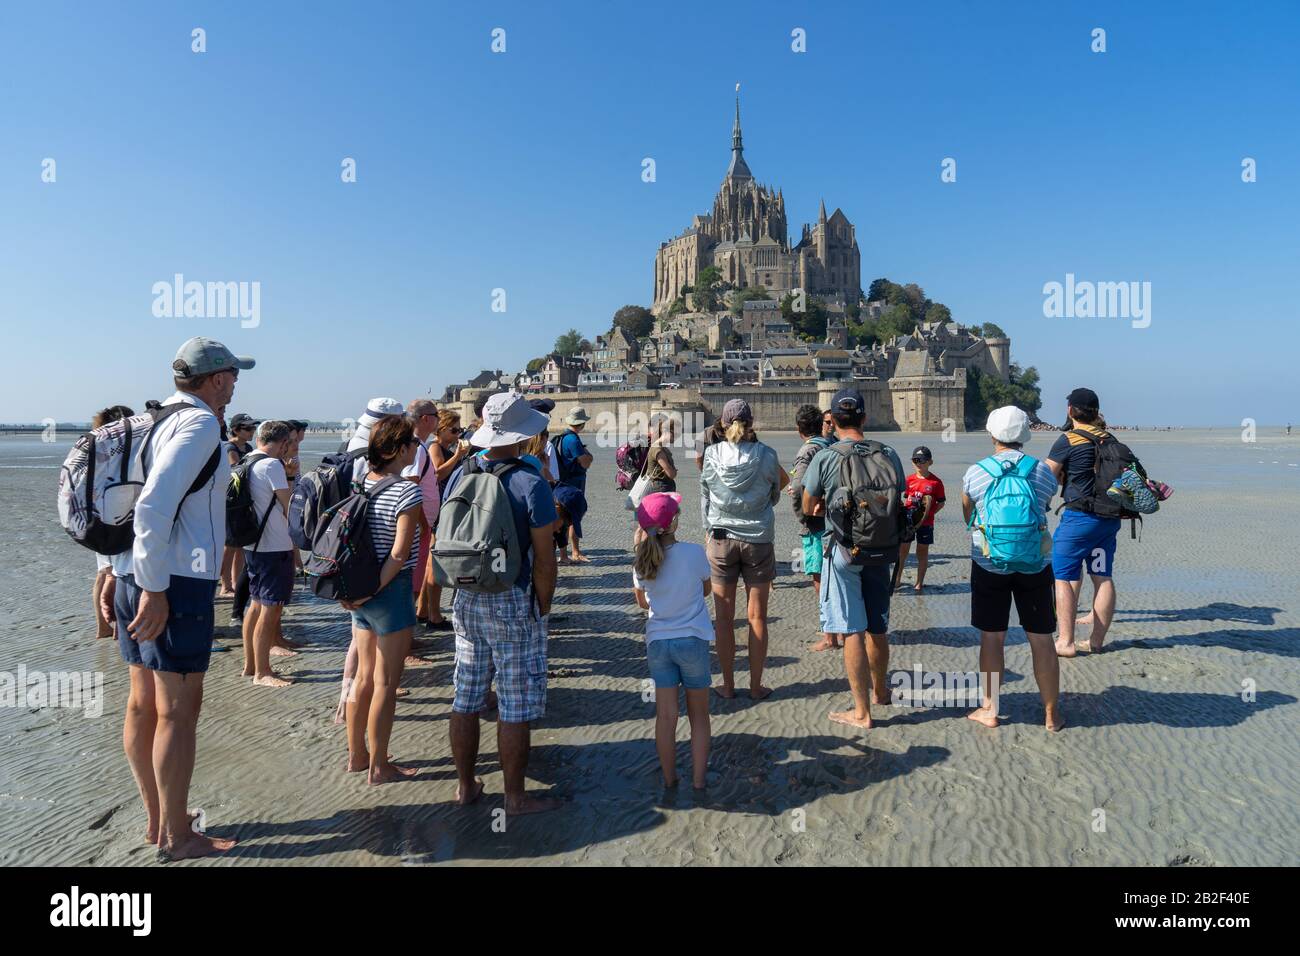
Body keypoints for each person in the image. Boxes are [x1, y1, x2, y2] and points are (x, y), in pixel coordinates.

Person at [97, 336, 252, 860]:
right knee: (177, 714)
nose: (235, 385)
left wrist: (129, 580)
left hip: (132, 574)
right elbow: (154, 506)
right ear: (217, 380)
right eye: (232, 375)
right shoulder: (201, 423)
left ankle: (159, 822)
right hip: (172, 583)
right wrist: (156, 592)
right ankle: (179, 837)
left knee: (143, 705)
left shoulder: (153, 419)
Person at [444, 392, 560, 814]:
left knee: (466, 695)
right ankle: (514, 796)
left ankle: (464, 786)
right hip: (513, 597)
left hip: (467, 596)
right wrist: (542, 606)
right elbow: (545, 559)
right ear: (522, 433)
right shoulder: (531, 483)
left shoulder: (461, 475)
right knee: (514, 702)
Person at [801, 389, 906, 730]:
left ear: (832, 420)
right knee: (878, 627)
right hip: (882, 548)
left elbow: (807, 505)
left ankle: (862, 712)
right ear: (864, 418)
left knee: (852, 632)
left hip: (844, 549)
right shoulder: (888, 452)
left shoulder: (827, 456)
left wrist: (821, 506)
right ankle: (880, 691)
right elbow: (897, 499)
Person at [961, 406, 1063, 732]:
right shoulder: (1042, 471)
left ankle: (990, 709)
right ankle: (1051, 714)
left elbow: (968, 513)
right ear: (1026, 435)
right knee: (1042, 639)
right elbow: (1044, 506)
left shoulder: (977, 472)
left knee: (992, 638)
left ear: (992, 434)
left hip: (989, 562)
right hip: (1035, 563)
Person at [342, 414, 423, 784]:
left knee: (362, 678)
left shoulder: (360, 483)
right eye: (412, 445)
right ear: (400, 448)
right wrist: (374, 589)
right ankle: (379, 765)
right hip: (388, 591)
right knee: (387, 683)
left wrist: (359, 593)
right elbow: (399, 552)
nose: (415, 451)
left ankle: (357, 757)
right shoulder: (407, 490)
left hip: (359, 590)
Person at [700, 399, 788, 700]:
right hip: (758, 539)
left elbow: (705, 495)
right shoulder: (767, 455)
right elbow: (775, 493)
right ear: (752, 423)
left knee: (723, 619)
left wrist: (710, 529)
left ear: (723, 424)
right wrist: (759, 509)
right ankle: (755, 686)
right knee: (757, 618)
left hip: (721, 538)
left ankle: (727, 685)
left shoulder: (711, 454)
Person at [631, 493, 711, 791]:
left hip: (658, 644)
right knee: (699, 716)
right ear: (673, 523)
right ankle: (699, 781)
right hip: (692, 639)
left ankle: (669, 779)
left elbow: (641, 602)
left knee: (666, 717)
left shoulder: (641, 561)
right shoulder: (693, 553)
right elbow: (705, 589)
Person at [1047, 387, 1119, 657]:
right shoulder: (1110, 438)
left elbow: (1047, 476)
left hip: (1079, 519)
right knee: (1102, 577)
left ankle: (1065, 642)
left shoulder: (1069, 439)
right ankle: (1096, 642)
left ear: (1070, 411)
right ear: (1096, 412)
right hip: (1109, 519)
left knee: (1062, 577)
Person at [239, 421, 297, 688]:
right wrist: (291, 476)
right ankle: (263, 672)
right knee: (271, 608)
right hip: (274, 544)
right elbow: (290, 506)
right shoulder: (272, 465)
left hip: (251, 544)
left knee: (256, 604)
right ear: (283, 442)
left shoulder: (246, 460)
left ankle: (250, 665)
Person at [788, 404, 836, 652]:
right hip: (836, 523)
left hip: (816, 525)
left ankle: (830, 635)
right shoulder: (832, 445)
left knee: (820, 578)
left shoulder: (807, 451)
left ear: (799, 429)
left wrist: (803, 514)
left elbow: (797, 489)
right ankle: (838, 629)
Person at [420, 409, 470, 630]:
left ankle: (423, 610)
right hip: (438, 510)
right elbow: (438, 473)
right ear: (441, 430)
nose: (458, 434)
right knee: (434, 563)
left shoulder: (444, 447)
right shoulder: (434, 447)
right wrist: (458, 456)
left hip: (441, 507)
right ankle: (433, 615)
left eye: (460, 429)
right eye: (454, 430)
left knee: (431, 562)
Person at [90, 405, 135, 639]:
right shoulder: (116, 448)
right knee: (111, 573)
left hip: (98, 518)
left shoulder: (94, 445)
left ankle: (105, 627)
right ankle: (114, 626)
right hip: (114, 518)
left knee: (104, 571)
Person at [403, 400, 441, 648]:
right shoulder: (416, 448)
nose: (439, 419)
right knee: (412, 586)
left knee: (413, 584)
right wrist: (423, 525)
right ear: (426, 419)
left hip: (419, 525)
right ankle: (405, 641)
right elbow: (411, 486)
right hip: (418, 527)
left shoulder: (418, 446)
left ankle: (407, 636)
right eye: (436, 415)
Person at [894, 445, 945, 592]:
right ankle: (897, 580)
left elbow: (941, 502)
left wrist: (928, 514)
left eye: (922, 460)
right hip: (908, 521)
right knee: (902, 551)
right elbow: (905, 500)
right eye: (915, 460)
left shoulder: (936, 482)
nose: (919, 463)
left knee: (922, 552)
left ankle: (919, 583)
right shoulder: (908, 480)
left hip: (926, 523)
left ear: (930, 462)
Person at [552, 406, 594, 562]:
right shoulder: (573, 440)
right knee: (574, 515)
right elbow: (585, 463)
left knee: (564, 516)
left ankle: (567, 553)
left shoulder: (562, 437)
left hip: (562, 482)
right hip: (574, 482)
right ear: (582, 424)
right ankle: (575, 552)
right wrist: (589, 455)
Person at [642, 414, 678, 494]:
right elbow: (671, 474)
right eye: (674, 433)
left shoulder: (662, 448)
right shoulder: (658, 449)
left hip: (663, 487)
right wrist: (674, 471)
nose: (677, 436)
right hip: (660, 489)